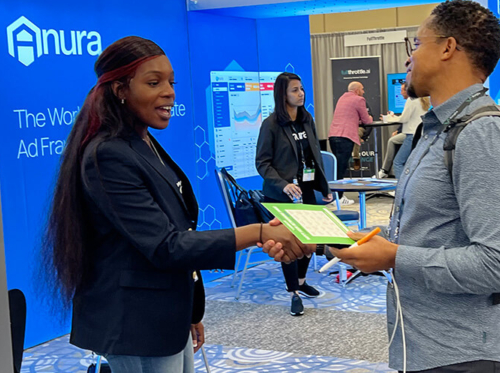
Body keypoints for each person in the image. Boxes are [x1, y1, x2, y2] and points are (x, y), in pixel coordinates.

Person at [42, 36, 308, 373]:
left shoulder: (142, 141)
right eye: (154, 83)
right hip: (136, 322)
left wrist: (191, 310)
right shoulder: (108, 154)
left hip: (167, 313)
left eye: (171, 82)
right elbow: (166, 245)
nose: (169, 92)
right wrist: (256, 232)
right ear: (121, 89)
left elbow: (180, 228)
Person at [329, 0, 500, 372]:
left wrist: (393, 256)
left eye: (417, 44)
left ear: (447, 48)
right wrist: (359, 242)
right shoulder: (436, 127)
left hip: (464, 354)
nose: (409, 59)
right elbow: (429, 231)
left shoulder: (483, 133)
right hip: (423, 344)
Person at [255, 72, 333, 316]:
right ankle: (293, 294)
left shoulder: (306, 119)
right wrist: (283, 184)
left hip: (306, 189)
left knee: (309, 240)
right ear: (282, 94)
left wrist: (324, 188)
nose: (301, 94)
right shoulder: (271, 125)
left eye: (301, 89)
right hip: (281, 195)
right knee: (288, 244)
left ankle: (301, 281)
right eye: (295, 90)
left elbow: (315, 156)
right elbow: (262, 163)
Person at [328, 81, 373, 204]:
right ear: (357, 90)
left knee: (337, 167)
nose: (363, 92)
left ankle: (333, 196)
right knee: (341, 169)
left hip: (333, 136)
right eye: (362, 89)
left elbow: (347, 116)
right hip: (345, 137)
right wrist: (371, 118)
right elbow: (366, 120)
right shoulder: (359, 100)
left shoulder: (342, 98)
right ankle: (338, 197)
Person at [375, 82, 429, 178]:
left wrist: (388, 118)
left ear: (408, 90)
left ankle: (400, 189)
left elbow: (404, 119)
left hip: (411, 135)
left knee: (398, 162)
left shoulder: (411, 100)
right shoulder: (423, 100)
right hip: (420, 134)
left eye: (402, 90)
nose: (400, 93)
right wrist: (393, 117)